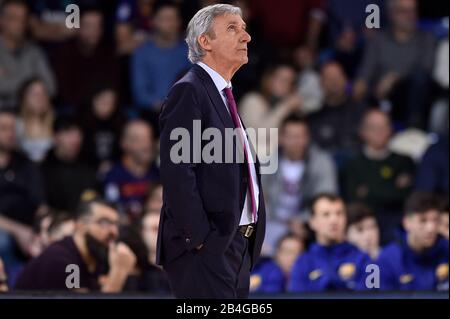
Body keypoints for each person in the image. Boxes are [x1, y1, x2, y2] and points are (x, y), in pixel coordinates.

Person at [158, 4, 266, 299]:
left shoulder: (222, 93)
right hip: (208, 248)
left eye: (244, 28)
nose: (246, 37)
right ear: (204, 42)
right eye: (233, 28)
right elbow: (178, 171)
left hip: (235, 245)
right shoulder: (189, 90)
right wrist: (200, 239)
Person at [15, 199, 137, 292]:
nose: (114, 231)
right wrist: (118, 273)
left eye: (116, 224)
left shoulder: (96, 258)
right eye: (104, 222)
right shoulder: (63, 261)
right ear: (80, 225)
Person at [262, 114, 338, 255]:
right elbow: (259, 200)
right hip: (273, 222)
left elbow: (326, 200)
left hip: (307, 223)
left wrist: (304, 220)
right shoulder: (267, 163)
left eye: (300, 136)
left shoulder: (322, 162)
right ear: (281, 138)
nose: (295, 142)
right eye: (291, 136)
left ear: (307, 138)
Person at [353, 0, 436, 128]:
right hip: (379, 96)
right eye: (404, 11)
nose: (411, 15)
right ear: (392, 14)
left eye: (413, 10)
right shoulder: (378, 40)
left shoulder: (426, 38)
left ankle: (413, 131)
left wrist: (394, 77)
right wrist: (361, 83)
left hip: (411, 99)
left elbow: (426, 66)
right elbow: (366, 71)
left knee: (419, 79)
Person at [342, 108, 415, 243]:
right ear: (362, 132)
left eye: (384, 126)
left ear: (391, 130)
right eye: (373, 127)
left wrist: (369, 192)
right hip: (362, 224)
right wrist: (392, 189)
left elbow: (408, 198)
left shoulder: (405, 161)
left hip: (398, 223)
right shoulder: (352, 165)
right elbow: (354, 201)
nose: (379, 132)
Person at [288, 194, 371, 292]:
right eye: (326, 214)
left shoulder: (362, 259)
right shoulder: (303, 262)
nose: (334, 220)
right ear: (312, 222)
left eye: (339, 213)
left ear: (346, 219)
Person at [0, 109, 45, 284]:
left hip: (29, 227)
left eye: (12, 129)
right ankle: (11, 287)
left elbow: (41, 205)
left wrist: (43, 229)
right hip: (7, 230)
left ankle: (68, 287)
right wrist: (17, 230)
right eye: (3, 128)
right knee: (2, 241)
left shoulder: (25, 163)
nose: (10, 134)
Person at [52, 7, 120, 114]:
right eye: (88, 26)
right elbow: (63, 92)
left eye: (98, 26)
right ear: (78, 27)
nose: (94, 31)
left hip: (103, 109)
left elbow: (113, 87)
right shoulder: (64, 52)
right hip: (74, 110)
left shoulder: (108, 52)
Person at [377, 192, 449, 291]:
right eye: (423, 220)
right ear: (407, 223)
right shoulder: (387, 259)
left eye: (435, 220)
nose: (431, 228)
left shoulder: (446, 250)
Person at [131, 2, 191, 112]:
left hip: (184, 111)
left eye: (173, 18)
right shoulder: (142, 52)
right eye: (165, 19)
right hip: (152, 113)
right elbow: (140, 93)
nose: (171, 24)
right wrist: (162, 105)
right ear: (153, 22)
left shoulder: (189, 51)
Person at [0, 0, 56, 109]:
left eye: (23, 19)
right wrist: (32, 85)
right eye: (14, 18)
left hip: (30, 114)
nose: (20, 24)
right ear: (2, 20)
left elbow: (50, 87)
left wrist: (8, 79)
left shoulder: (35, 51)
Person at [102, 120, 160, 221]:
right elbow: (112, 211)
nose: (147, 145)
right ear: (124, 143)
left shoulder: (160, 175)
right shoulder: (112, 176)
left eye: (149, 138)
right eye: (139, 140)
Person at [40, 117, 97, 213]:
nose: (75, 139)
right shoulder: (43, 170)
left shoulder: (88, 166)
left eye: (78, 133)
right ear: (55, 137)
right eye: (69, 133)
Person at [16, 78, 54, 163]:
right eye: (35, 94)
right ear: (24, 98)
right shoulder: (16, 125)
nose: (40, 98)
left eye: (43, 93)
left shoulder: (56, 123)